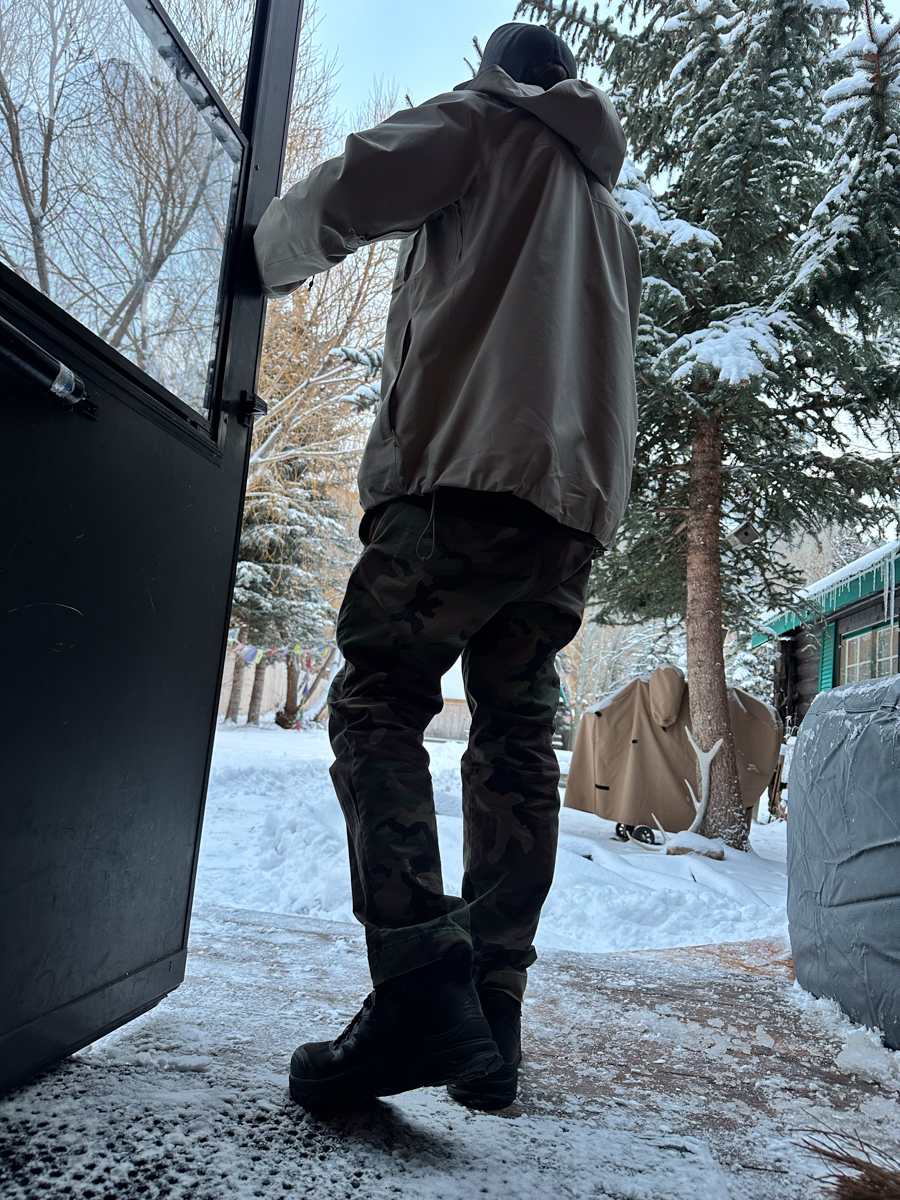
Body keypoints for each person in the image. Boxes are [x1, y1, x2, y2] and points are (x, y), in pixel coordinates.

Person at [254, 21, 641, 1110]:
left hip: (463, 481)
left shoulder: (481, 126)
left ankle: (424, 988)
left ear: (497, 75)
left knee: (377, 696)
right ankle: (494, 1024)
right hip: (569, 513)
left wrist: (251, 264)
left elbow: (344, 192)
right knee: (516, 736)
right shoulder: (608, 215)